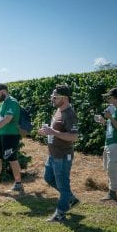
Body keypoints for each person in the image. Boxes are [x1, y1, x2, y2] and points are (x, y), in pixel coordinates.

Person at [38, 85, 79, 222]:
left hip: (62, 156)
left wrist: (52, 132)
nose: (52, 99)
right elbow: (55, 132)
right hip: (53, 154)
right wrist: (47, 131)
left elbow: (73, 137)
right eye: (52, 96)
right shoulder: (58, 111)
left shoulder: (70, 114)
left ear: (65, 98)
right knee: (48, 177)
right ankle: (70, 198)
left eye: (55, 97)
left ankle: (60, 213)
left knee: (63, 185)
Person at [95, 88, 117, 201]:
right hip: (110, 142)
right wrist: (104, 121)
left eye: (109, 97)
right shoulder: (114, 109)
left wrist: (110, 117)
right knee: (107, 167)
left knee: (111, 168)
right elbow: (113, 126)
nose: (108, 99)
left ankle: (112, 192)